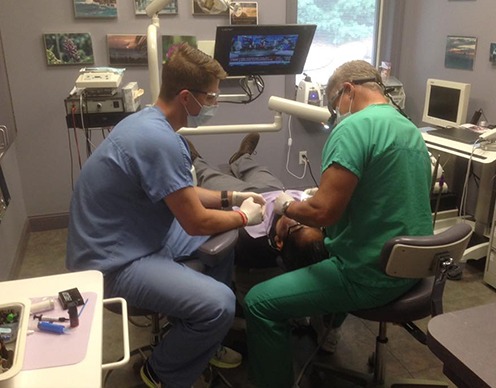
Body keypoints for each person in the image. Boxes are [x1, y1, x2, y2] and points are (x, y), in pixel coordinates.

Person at [65, 43, 266, 388]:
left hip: (137, 235)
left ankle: (200, 339)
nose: (214, 104)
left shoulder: (147, 121)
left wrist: (230, 197)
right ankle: (160, 373)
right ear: (187, 97)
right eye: (213, 98)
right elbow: (195, 220)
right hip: (112, 264)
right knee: (220, 304)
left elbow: (180, 192)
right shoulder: (158, 140)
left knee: (222, 242)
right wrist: (244, 217)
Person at [243, 60, 434, 387]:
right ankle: (326, 328)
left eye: (333, 105)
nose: (335, 115)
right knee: (325, 244)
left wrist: (286, 206)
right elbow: (386, 193)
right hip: (414, 266)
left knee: (259, 303)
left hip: (370, 275)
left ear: (348, 90)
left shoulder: (354, 127)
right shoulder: (408, 129)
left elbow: (322, 214)